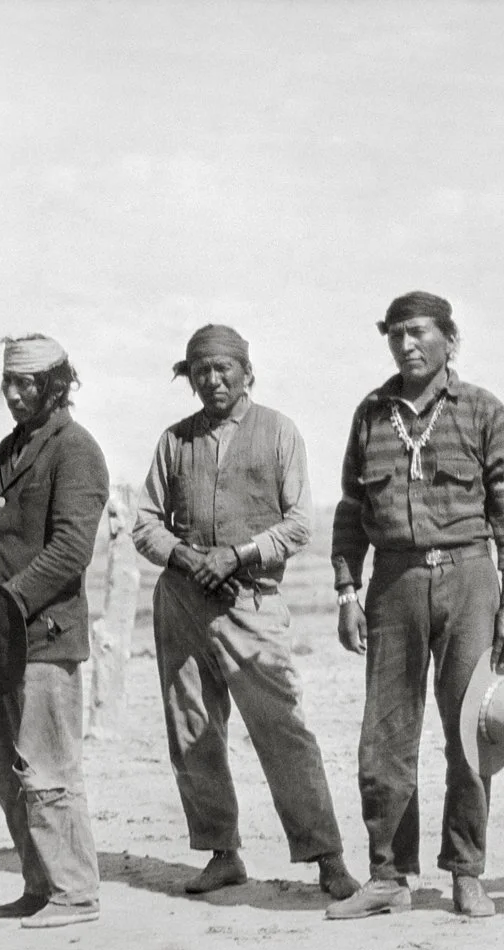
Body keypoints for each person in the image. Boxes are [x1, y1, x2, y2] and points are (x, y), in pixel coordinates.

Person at [133, 325, 360, 902]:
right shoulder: (174, 441)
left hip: (252, 602)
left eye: (223, 368)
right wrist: (185, 555)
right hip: (182, 601)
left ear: (246, 371)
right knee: (193, 729)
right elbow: (145, 522)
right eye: (200, 370)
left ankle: (326, 857)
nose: (212, 379)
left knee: (282, 727)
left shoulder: (279, 432)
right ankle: (222, 853)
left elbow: (300, 523)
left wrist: (237, 555)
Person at [327, 291, 504, 921]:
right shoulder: (370, 414)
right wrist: (346, 592)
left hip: (470, 577)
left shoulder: (481, 409)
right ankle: (388, 875)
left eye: (418, 333)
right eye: (395, 336)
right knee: (385, 737)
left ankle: (468, 870)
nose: (406, 345)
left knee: (471, 731)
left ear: (449, 338)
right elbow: (351, 512)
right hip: (392, 584)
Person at [0, 334, 110, 929]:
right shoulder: (12, 447)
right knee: (6, 772)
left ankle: (75, 893)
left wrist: (6, 602)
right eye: (8, 383)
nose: (14, 394)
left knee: (47, 768)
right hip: (0, 640)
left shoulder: (76, 451)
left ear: (56, 385)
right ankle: (40, 885)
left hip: (45, 637)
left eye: (26, 384)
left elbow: (72, 549)